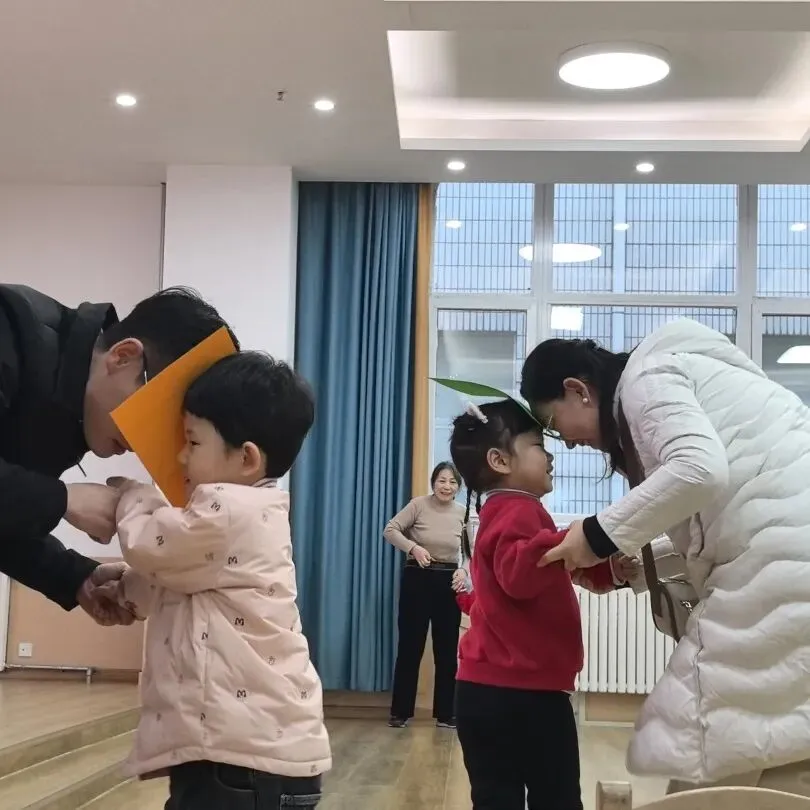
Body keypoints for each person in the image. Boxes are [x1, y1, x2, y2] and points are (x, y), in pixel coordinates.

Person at [520, 319, 810, 793]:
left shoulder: (646, 380)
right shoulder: (681, 371)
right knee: (783, 746)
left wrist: (594, 535)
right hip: (787, 558)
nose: (567, 442)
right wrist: (633, 566)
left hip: (784, 565)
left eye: (555, 425)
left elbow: (699, 471)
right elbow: (710, 513)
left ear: (578, 390)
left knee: (707, 740)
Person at [104, 351, 330, 810]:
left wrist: (132, 497)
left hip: (240, 762)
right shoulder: (241, 516)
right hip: (249, 754)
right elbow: (181, 579)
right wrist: (124, 590)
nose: (180, 456)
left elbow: (151, 545)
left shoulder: (228, 510)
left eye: (192, 442)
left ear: (246, 457)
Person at [0, 283, 237, 626]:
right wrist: (62, 499)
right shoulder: (9, 324)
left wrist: (74, 577)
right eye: (157, 421)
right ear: (123, 357)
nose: (141, 445)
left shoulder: (72, 417)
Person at [447, 399, 634, 810]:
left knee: (498, 799)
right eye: (537, 446)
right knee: (557, 797)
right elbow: (521, 574)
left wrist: (609, 569)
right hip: (520, 693)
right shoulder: (515, 510)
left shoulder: (513, 510)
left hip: (495, 690)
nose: (550, 456)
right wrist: (577, 537)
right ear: (499, 460)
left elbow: (549, 569)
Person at [384, 461, 466, 728]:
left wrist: (464, 571)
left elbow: (470, 552)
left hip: (449, 582)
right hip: (417, 577)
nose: (446, 486)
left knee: (446, 649)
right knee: (410, 646)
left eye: (452, 482)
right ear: (433, 482)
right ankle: (400, 712)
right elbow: (390, 530)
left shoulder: (463, 512)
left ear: (458, 487)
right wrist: (413, 548)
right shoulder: (418, 505)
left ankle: (446, 713)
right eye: (442, 480)